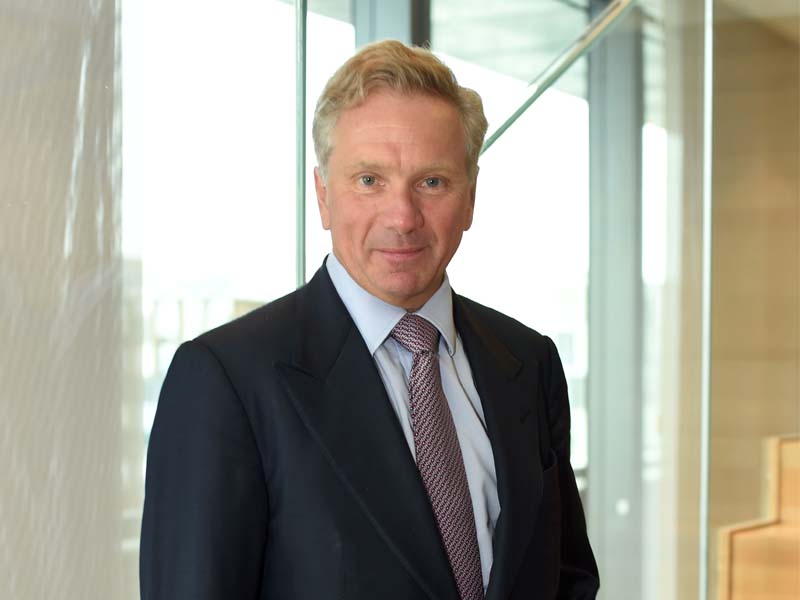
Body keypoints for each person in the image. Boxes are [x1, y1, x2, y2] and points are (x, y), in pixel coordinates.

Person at [140, 40, 599, 600]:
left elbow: (567, 580)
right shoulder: (227, 380)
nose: (402, 217)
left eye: (432, 182)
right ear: (323, 195)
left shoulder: (529, 362)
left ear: (470, 197)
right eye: (369, 180)